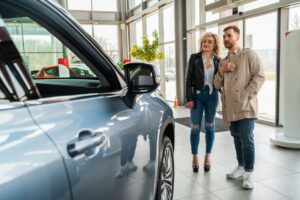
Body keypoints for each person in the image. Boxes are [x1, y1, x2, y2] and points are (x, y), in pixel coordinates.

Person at [213, 25, 265, 189]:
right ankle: (241, 166)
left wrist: (247, 95)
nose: (226, 39)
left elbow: (260, 75)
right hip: (230, 107)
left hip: (245, 105)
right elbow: (216, 84)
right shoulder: (223, 61)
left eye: (229, 36)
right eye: (224, 37)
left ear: (237, 37)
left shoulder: (248, 54)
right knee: (236, 137)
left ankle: (249, 173)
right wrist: (221, 71)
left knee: (247, 139)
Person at [185, 32, 221, 173]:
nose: (206, 43)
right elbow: (188, 79)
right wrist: (189, 99)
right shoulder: (194, 58)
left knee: (210, 126)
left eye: (209, 41)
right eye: (204, 41)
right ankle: (194, 157)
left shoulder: (218, 60)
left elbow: (221, 79)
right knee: (195, 127)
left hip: (212, 97)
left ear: (214, 45)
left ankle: (208, 155)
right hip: (197, 97)